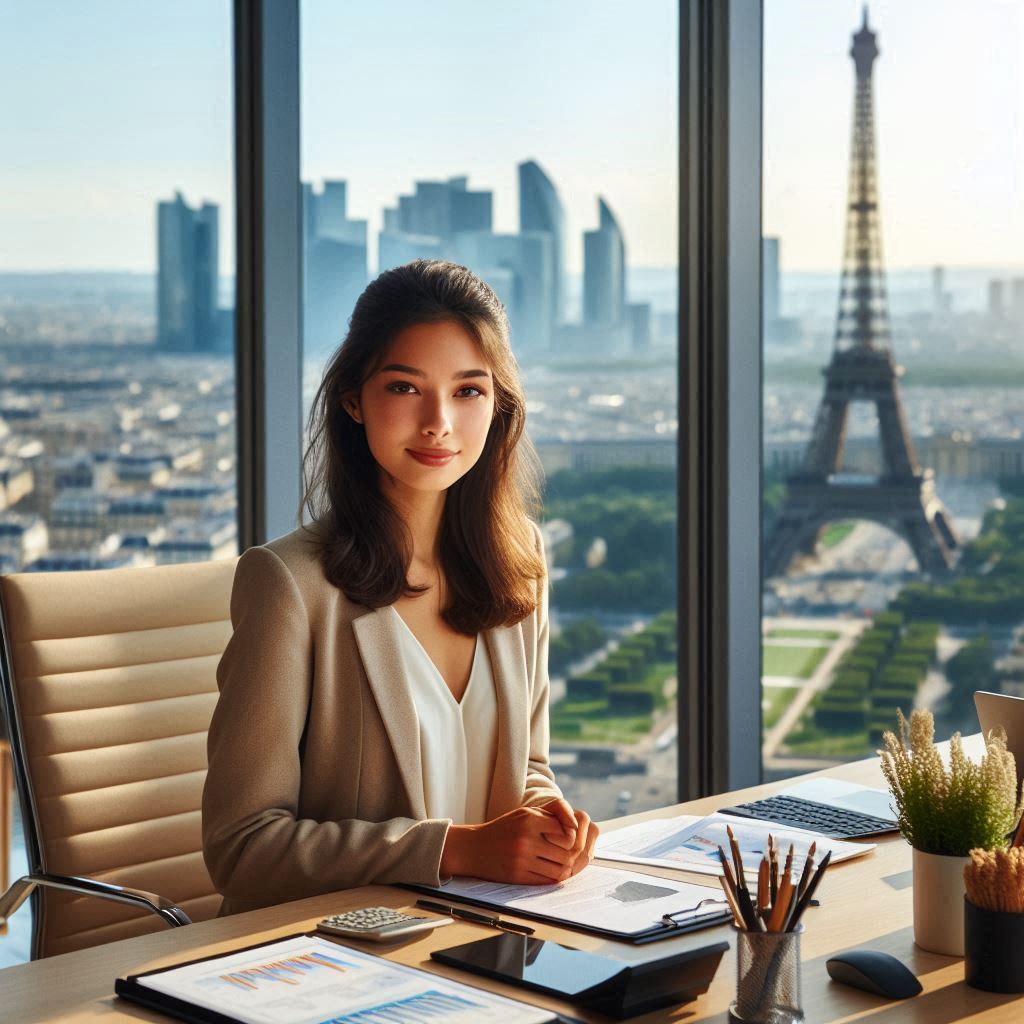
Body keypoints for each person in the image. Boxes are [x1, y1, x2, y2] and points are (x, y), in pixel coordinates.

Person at [203, 259, 598, 915]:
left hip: (478, 940)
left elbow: (527, 767)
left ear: (499, 403)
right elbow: (242, 850)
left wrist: (548, 821)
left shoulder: (520, 557)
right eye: (406, 388)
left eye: (469, 390)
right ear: (353, 399)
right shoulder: (290, 587)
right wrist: (458, 850)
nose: (439, 421)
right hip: (332, 963)